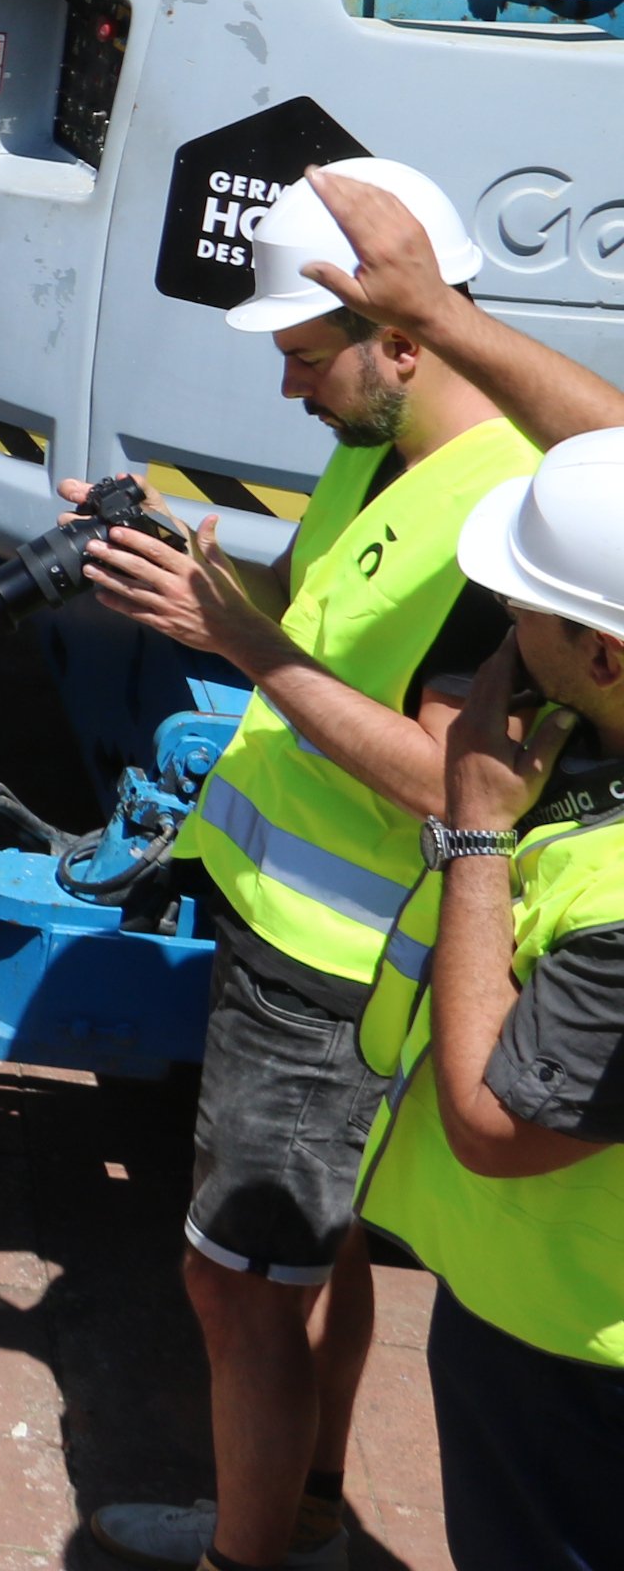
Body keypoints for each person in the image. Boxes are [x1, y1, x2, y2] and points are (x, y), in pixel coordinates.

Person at [73, 160, 540, 1571]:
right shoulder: (382, 451)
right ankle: (308, 1511)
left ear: (405, 337)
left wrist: (246, 647)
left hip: (345, 970)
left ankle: (248, 1557)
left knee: (233, 1289)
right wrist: (212, 578)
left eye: (303, 359)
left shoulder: (497, 524)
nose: (289, 394)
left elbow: (460, 781)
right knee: (310, 1255)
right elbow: (333, 610)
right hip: (299, 942)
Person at [353, 427, 624, 1571]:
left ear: (605, 653)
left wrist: (475, 828)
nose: (502, 636)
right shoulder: (595, 748)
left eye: (524, 612)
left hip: (573, 1356)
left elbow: (493, 1123)